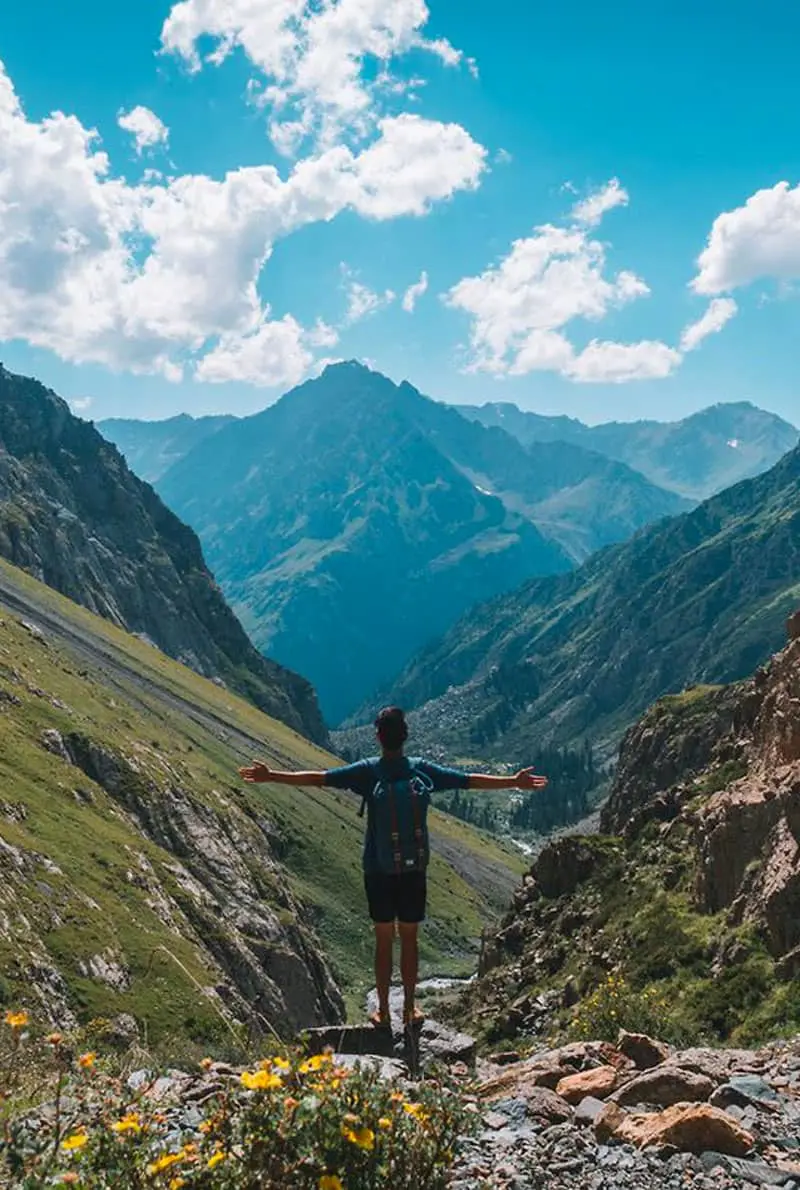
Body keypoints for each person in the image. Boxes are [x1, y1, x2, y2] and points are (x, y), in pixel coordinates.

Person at [239, 706, 548, 1029]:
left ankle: (383, 1011)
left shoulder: (367, 771)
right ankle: (411, 1009)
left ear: (378, 737)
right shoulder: (422, 770)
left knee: (384, 939)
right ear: (406, 736)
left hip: (378, 869)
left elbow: (320, 778)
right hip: (413, 868)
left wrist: (271, 775)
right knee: (410, 938)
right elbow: (467, 781)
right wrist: (514, 781)